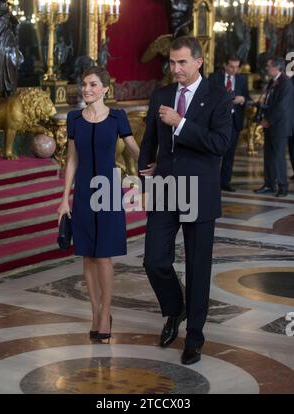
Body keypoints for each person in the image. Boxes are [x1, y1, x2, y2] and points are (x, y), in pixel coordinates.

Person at [138, 36, 232, 365]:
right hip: (164, 189)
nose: (175, 69)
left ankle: (194, 337)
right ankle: (174, 309)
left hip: (200, 193)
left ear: (198, 62)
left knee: (197, 267)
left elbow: (220, 143)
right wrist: (144, 178)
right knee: (154, 260)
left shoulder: (218, 97)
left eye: (182, 63)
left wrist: (181, 124)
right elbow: (147, 142)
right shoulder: (162, 94)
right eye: (172, 63)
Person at [58, 66, 139, 342]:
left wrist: (158, 164)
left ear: (106, 88)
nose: (87, 89)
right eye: (84, 85)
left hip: (107, 194)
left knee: (103, 256)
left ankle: (106, 314)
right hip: (82, 195)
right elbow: (71, 160)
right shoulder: (74, 119)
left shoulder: (118, 117)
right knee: (88, 256)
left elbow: (134, 149)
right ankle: (94, 312)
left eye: (93, 85)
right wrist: (63, 200)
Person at [209, 55, 250, 192]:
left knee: (230, 153)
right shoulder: (214, 78)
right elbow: (209, 97)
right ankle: (212, 181)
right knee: (215, 153)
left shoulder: (242, 79)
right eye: (232, 66)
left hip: (234, 121)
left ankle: (225, 182)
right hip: (217, 122)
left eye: (237, 67)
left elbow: (247, 97)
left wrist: (243, 99)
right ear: (225, 65)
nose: (234, 69)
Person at [254, 57, 293, 197]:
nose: (266, 68)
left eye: (269, 66)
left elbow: (282, 107)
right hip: (270, 125)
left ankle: (283, 186)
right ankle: (269, 184)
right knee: (268, 156)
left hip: (279, 126)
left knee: (278, 156)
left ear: (276, 68)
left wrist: (268, 120)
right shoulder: (273, 81)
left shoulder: (285, 83)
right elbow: (269, 101)